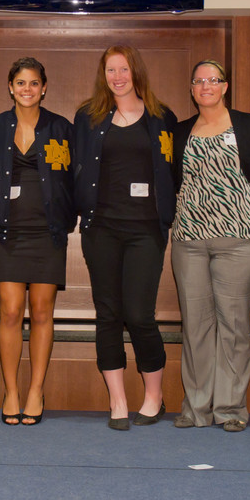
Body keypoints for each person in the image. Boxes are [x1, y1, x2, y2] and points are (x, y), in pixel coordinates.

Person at [74, 46, 176, 431]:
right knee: (108, 315)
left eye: (124, 69)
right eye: (111, 70)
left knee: (139, 315)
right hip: (101, 228)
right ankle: (117, 400)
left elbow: (174, 170)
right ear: (103, 75)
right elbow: (75, 168)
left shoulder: (162, 117)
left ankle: (154, 396)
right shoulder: (88, 117)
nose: (118, 77)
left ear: (136, 72)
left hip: (146, 230)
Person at [171, 59, 250, 432]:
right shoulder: (180, 131)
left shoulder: (249, 125)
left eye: (213, 80)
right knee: (195, 326)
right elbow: (174, 182)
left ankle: (230, 409)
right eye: (199, 81)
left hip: (240, 240)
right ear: (192, 88)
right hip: (189, 241)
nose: (206, 86)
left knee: (234, 324)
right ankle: (196, 408)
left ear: (225, 86)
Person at [0, 57, 74, 426]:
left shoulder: (61, 128)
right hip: (9, 232)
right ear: (10, 87)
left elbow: (73, 178)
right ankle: (11, 391)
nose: (27, 89)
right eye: (20, 82)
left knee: (41, 312)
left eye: (34, 83)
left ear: (44, 87)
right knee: (9, 311)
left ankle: (36, 389)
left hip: (48, 233)